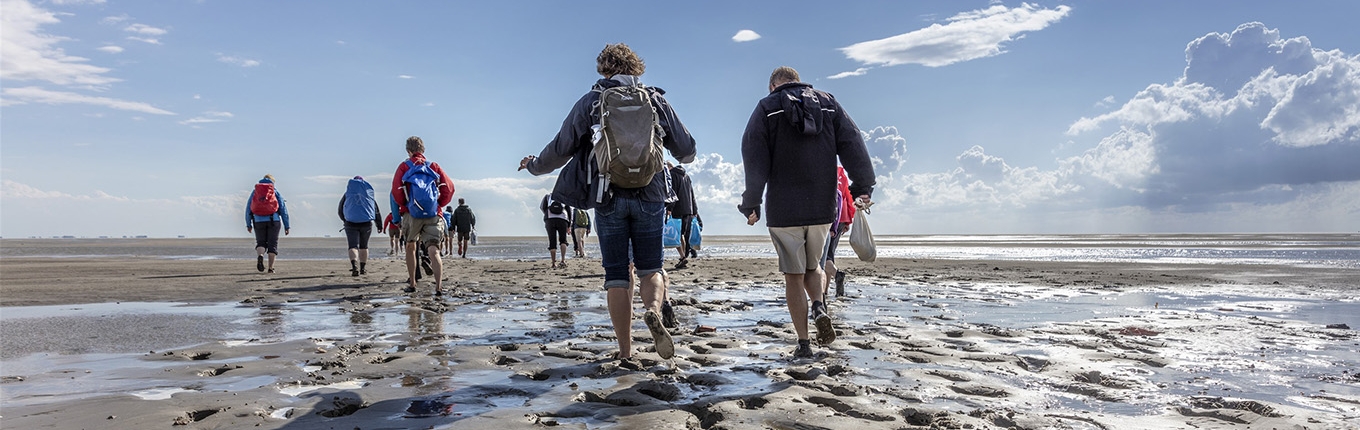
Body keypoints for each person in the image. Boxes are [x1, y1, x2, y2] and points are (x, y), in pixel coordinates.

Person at [518, 43, 696, 365]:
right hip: (652, 192)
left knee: (617, 274)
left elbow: (560, 149)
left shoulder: (592, 102)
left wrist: (533, 166)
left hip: (607, 194)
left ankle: (626, 350)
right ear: (636, 68)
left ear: (604, 69)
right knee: (650, 268)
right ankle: (654, 311)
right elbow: (686, 150)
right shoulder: (655, 101)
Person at [738, 66, 876, 359]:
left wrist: (751, 202)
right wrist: (863, 184)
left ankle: (803, 343)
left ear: (773, 85)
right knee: (815, 267)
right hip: (821, 206)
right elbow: (853, 142)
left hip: (783, 208)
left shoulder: (767, 107)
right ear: (796, 80)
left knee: (793, 275)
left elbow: (754, 156)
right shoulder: (828, 102)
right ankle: (819, 306)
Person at [391, 136, 456, 295]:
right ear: (423, 150)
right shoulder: (433, 166)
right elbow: (449, 188)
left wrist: (405, 206)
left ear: (408, 150)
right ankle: (438, 287)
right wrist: (438, 204)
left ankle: (413, 283)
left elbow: (396, 191)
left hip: (411, 214)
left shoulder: (404, 167)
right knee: (433, 249)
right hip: (433, 213)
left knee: (410, 246)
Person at [339, 176, 383, 277]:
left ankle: (355, 267)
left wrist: (345, 220)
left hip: (350, 223)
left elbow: (340, 209)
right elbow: (375, 210)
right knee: (364, 246)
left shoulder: (348, 194)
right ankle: (363, 268)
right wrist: (379, 224)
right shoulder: (368, 194)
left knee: (353, 245)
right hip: (366, 223)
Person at [245, 174, 290, 273]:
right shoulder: (274, 191)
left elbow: (248, 208)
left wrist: (248, 224)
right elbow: (283, 209)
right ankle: (270, 268)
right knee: (272, 244)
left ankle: (260, 255)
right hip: (273, 220)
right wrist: (287, 225)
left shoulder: (255, 192)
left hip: (258, 221)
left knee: (260, 242)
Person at [823, 167, 855, 298]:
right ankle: (824, 291)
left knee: (823, 256)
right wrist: (848, 220)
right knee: (830, 254)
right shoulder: (841, 173)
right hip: (841, 217)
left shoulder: (821, 169)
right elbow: (848, 196)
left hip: (826, 216)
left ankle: (837, 275)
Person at [666, 161, 698, 269]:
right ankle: (683, 257)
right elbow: (691, 193)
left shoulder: (672, 175)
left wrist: (669, 208)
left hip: (677, 208)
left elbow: (672, 192)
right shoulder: (686, 176)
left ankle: (683, 257)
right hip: (687, 209)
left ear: (669, 167)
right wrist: (694, 210)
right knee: (681, 234)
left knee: (676, 234)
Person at [540, 194, 571, 268]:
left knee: (552, 241)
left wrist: (548, 213)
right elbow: (569, 210)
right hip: (563, 219)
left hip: (550, 219)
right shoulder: (564, 196)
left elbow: (542, 207)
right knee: (563, 240)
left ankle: (553, 263)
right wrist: (569, 225)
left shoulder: (548, 196)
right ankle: (563, 260)